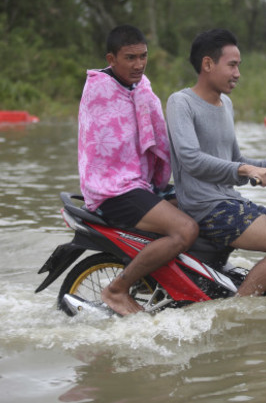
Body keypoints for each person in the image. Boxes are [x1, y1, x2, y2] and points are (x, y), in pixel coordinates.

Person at [166, 28, 266, 297]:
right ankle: (239, 313)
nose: (238, 73)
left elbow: (235, 161)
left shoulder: (226, 104)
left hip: (231, 201)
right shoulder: (181, 103)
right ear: (207, 64)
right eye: (232, 65)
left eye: (238, 66)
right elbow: (191, 159)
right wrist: (245, 169)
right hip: (205, 208)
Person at [78, 25, 198, 316]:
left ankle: (158, 279)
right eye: (130, 58)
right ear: (111, 58)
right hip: (112, 188)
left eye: (143, 56)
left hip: (137, 184)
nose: (138, 64)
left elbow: (156, 134)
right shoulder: (100, 90)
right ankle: (116, 291)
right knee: (185, 230)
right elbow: (108, 149)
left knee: (198, 203)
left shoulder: (140, 86)